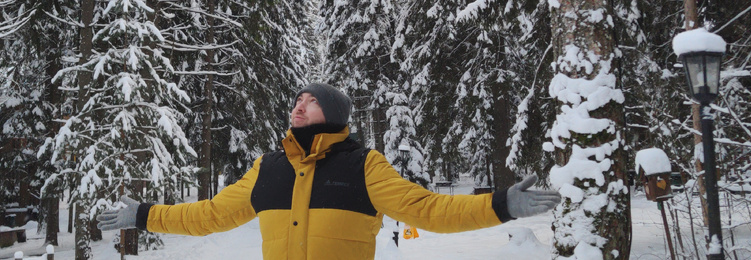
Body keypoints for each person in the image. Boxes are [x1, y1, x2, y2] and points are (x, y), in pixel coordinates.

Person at [99, 82, 561, 259]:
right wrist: (144, 215)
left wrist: (501, 205)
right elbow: (209, 216)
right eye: (296, 100)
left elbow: (428, 209)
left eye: (311, 101)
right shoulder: (267, 169)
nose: (298, 106)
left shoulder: (364, 165)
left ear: (335, 114)